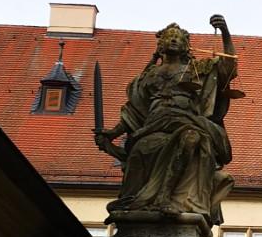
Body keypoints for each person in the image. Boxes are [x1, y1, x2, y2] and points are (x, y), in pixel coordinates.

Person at [95, 15, 238, 223]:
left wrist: (225, 32)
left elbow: (228, 66)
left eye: (178, 38)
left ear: (186, 46)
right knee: (140, 150)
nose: (173, 40)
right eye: (169, 37)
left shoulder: (197, 69)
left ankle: (165, 196)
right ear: (160, 45)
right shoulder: (148, 75)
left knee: (191, 139)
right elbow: (134, 109)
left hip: (187, 120)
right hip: (154, 124)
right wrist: (112, 133)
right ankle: (133, 202)